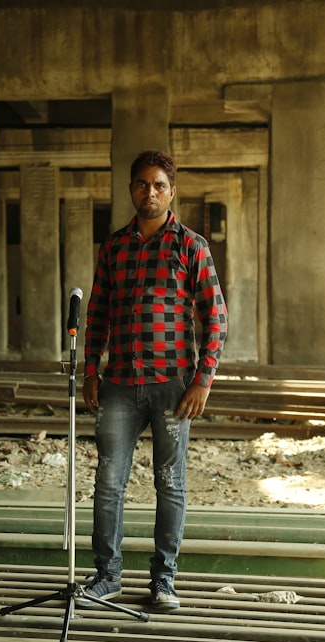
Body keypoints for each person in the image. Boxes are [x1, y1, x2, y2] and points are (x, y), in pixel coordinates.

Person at [78, 149, 228, 611]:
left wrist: (202, 380)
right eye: (142, 184)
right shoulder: (114, 247)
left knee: (171, 482)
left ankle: (164, 580)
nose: (151, 192)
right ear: (131, 190)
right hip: (120, 383)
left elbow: (216, 318)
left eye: (159, 185)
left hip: (174, 385)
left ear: (171, 192)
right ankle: (107, 576)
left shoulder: (191, 246)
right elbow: (98, 313)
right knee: (108, 481)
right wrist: (90, 370)